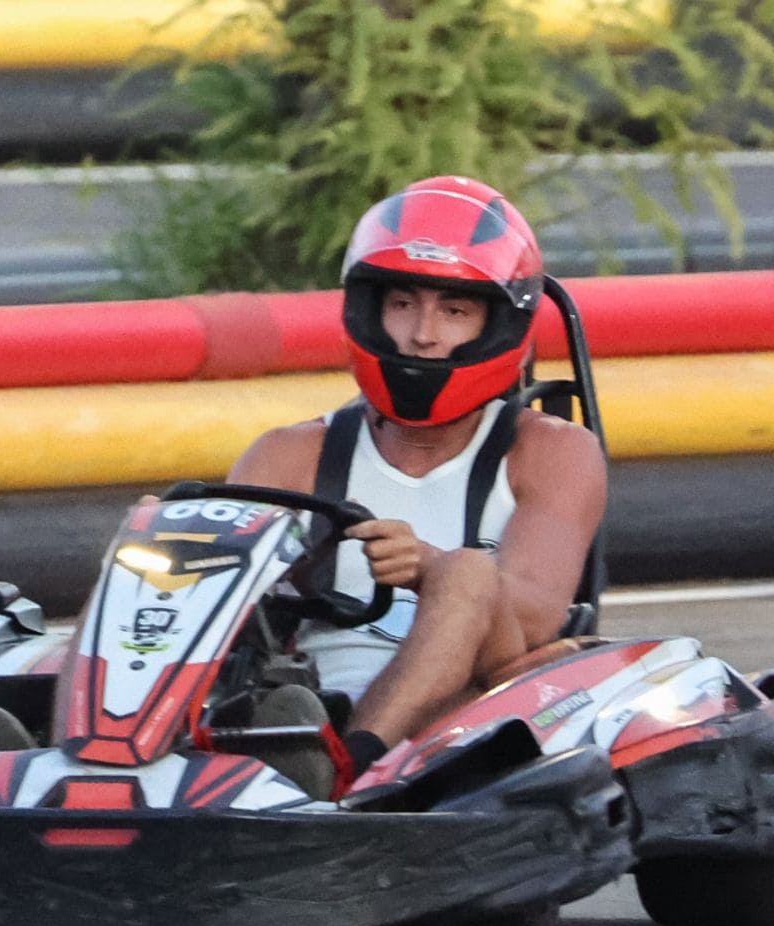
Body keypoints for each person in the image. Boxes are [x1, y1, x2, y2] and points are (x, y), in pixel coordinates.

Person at [225, 175, 608, 778]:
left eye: (453, 310)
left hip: (470, 717)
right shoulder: (289, 453)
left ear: (498, 325)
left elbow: (534, 622)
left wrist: (430, 567)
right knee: (150, 552)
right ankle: (71, 754)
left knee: (467, 573)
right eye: (403, 305)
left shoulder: (551, 451)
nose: (422, 335)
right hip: (298, 705)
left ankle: (348, 766)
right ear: (370, 311)